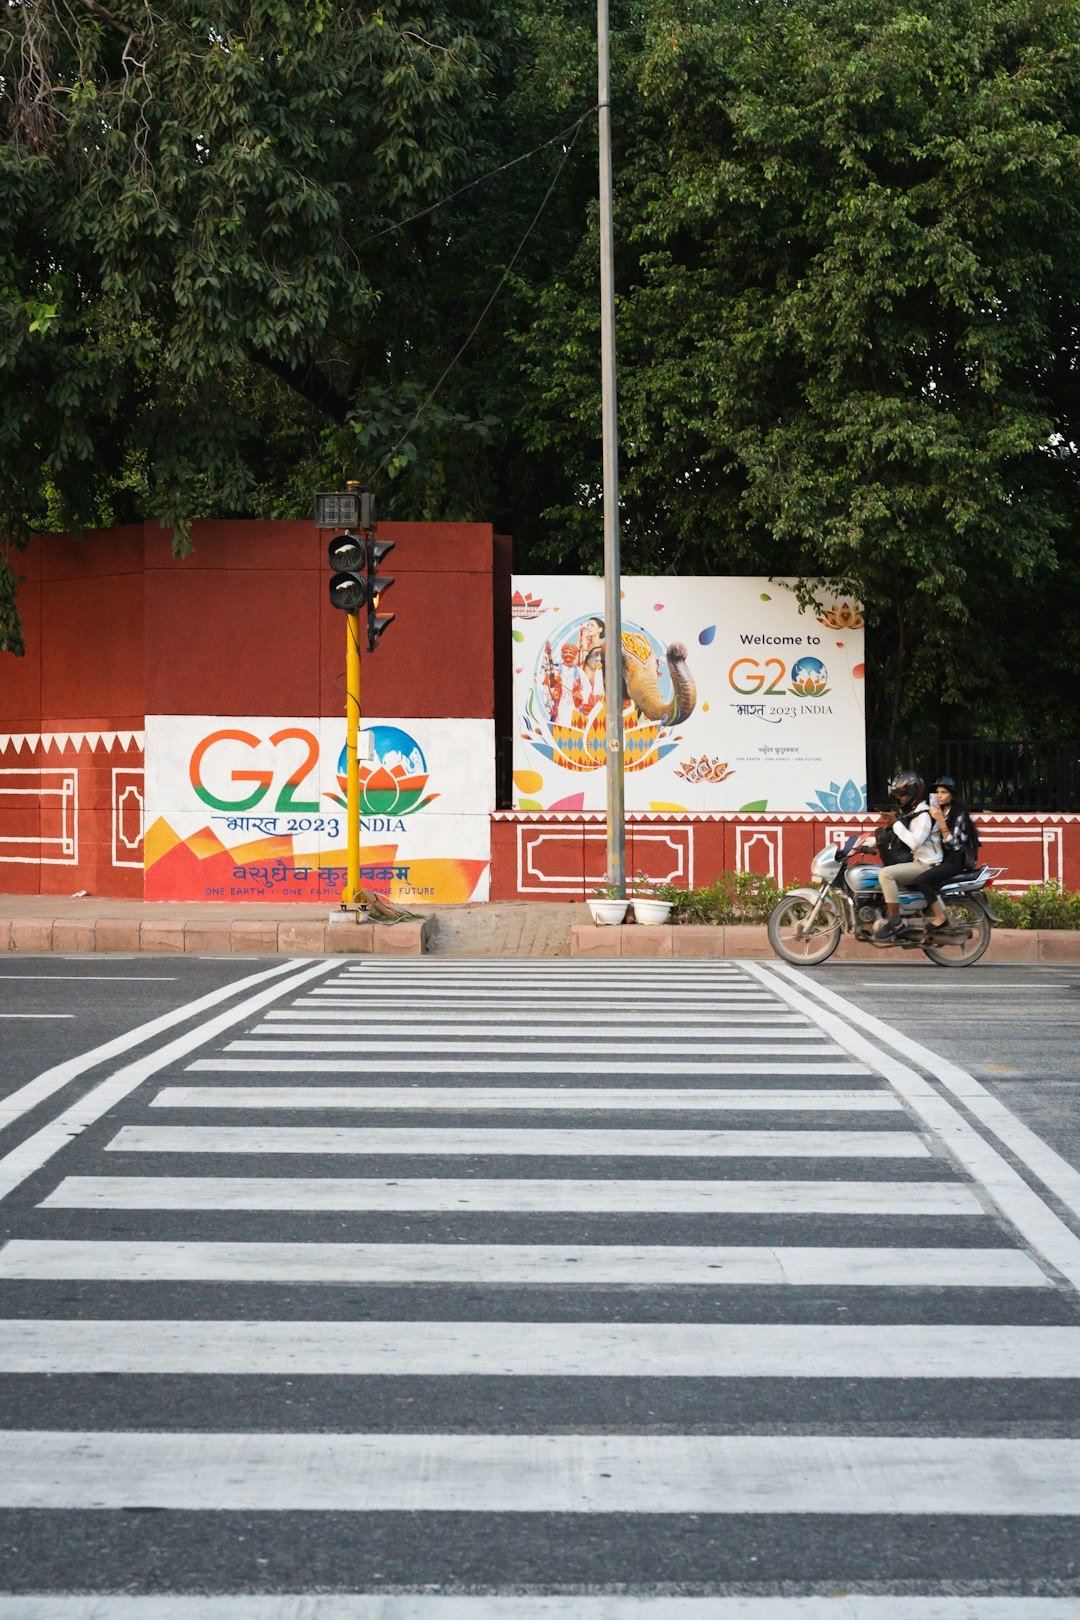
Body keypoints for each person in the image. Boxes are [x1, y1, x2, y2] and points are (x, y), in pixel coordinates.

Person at [873, 771, 941, 938]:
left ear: (914, 793)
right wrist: (866, 844)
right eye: (898, 796)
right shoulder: (912, 813)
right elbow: (896, 838)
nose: (900, 799)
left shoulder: (924, 815)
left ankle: (895, 922)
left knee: (885, 874)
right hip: (917, 862)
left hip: (926, 865)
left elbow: (914, 842)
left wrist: (896, 823)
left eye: (903, 795)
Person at [913, 774, 974, 933]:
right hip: (941, 858)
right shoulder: (938, 811)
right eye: (937, 792)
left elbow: (955, 845)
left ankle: (940, 918)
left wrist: (940, 820)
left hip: (954, 861)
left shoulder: (958, 815)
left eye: (944, 792)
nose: (939, 796)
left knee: (922, 880)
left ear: (952, 796)